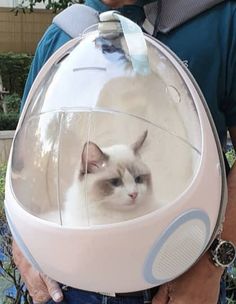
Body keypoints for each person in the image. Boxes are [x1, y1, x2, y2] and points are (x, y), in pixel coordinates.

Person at [12, 1, 236, 303]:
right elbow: (29, 168)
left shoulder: (220, 19)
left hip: (182, 283)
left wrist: (212, 267)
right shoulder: (60, 36)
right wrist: (24, 250)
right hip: (69, 286)